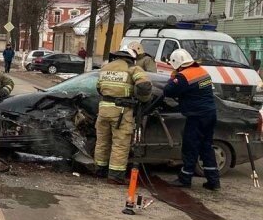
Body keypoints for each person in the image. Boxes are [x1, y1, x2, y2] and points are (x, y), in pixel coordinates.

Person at [94, 48, 152, 184]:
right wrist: (143, 100)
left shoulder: (105, 68)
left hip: (103, 109)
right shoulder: (133, 69)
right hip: (121, 112)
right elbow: (144, 87)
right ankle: (115, 176)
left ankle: (99, 170)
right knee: (120, 144)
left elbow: (98, 88)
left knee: (102, 142)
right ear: (131, 58)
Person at [164, 49, 220, 191]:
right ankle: (213, 181)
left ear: (177, 63)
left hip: (196, 116)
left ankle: (185, 178)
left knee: (190, 146)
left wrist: (173, 77)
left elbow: (168, 91)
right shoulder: (202, 71)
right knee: (206, 147)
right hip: (210, 114)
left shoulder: (183, 76)